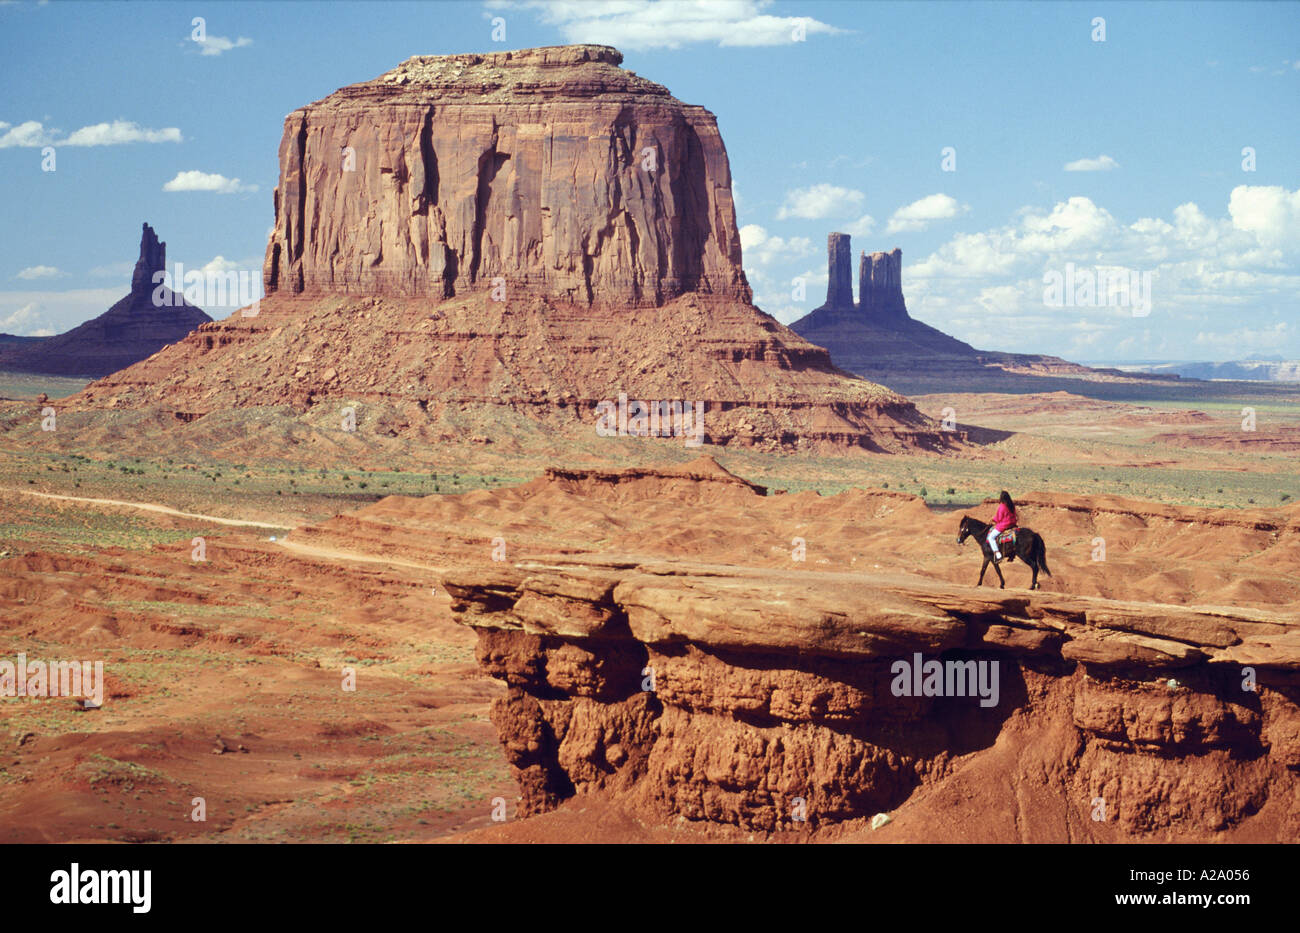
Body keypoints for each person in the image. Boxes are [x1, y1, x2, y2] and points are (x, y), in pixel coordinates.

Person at [987, 490, 1018, 561]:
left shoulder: (1002, 506)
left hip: (1004, 525)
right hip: (1012, 524)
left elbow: (999, 518)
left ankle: (997, 553)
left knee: (991, 537)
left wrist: (993, 519)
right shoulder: (1012, 505)